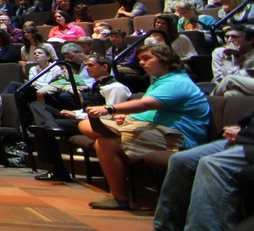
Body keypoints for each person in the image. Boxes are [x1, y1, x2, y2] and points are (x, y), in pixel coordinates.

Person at [78, 45, 210, 210]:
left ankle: (119, 197)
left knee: (104, 143)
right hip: (155, 127)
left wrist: (110, 109)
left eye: (147, 58)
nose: (141, 63)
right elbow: (153, 110)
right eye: (140, 59)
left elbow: (147, 104)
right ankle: (118, 135)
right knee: (85, 124)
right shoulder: (161, 80)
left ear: (166, 59)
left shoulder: (177, 81)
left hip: (176, 136)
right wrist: (129, 117)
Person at [141, 101, 254, 231]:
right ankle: (167, 230)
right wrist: (242, 129)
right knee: (181, 160)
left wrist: (244, 135)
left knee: (213, 164)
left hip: (249, 142)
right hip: (244, 137)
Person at [29, 53, 130, 182]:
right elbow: (87, 109)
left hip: (96, 124)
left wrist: (76, 114)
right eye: (86, 65)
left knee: (40, 128)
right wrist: (74, 112)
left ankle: (58, 169)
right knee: (36, 104)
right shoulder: (97, 85)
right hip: (83, 118)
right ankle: (50, 125)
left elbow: (110, 115)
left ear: (105, 67)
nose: (87, 68)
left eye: (91, 65)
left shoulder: (115, 87)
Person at [210, 26, 254, 95]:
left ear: (250, 40)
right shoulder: (219, 52)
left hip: (250, 85)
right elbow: (219, 78)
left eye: (235, 37)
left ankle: (206, 103)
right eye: (227, 37)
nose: (230, 40)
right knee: (230, 94)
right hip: (230, 86)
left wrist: (227, 58)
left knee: (229, 79)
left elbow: (235, 78)